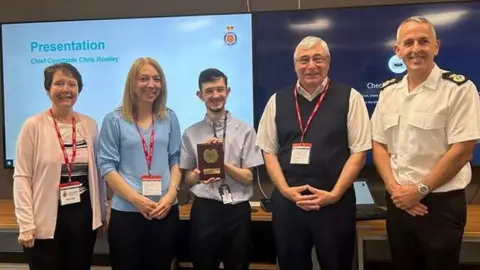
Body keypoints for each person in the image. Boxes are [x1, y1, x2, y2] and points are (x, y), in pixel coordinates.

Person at [371, 16, 480, 270]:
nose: (415, 49)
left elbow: (463, 150)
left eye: (423, 41)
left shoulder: (459, 89)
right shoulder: (388, 92)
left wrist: (419, 190)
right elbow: (378, 144)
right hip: (398, 203)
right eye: (408, 43)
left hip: (439, 206)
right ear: (398, 51)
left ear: (436, 46)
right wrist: (395, 189)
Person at [256, 36, 371, 270]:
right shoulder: (276, 101)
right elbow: (268, 152)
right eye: (304, 60)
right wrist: (286, 191)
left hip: (334, 206)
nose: (311, 65)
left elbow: (359, 152)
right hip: (289, 206)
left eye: (318, 59)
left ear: (328, 62)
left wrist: (335, 194)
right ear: (295, 64)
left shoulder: (351, 98)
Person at [13, 63, 107, 270]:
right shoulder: (33, 125)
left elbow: (98, 175)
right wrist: (26, 224)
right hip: (45, 219)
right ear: (48, 89)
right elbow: (22, 177)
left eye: (72, 84)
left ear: (79, 89)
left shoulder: (89, 125)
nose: (66, 89)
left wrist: (101, 213)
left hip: (83, 216)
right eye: (59, 83)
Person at [98, 57, 182, 270]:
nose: (151, 85)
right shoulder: (113, 120)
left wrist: (171, 195)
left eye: (156, 79)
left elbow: (176, 159)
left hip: (164, 211)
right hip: (127, 213)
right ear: (132, 84)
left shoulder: (169, 117)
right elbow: (107, 167)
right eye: (144, 78)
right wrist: (136, 199)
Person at [180, 68, 264, 270]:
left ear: (228, 91)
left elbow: (247, 178)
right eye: (209, 91)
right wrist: (200, 172)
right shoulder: (190, 133)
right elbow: (187, 180)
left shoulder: (246, 130)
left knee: (238, 264)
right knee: (203, 264)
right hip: (204, 208)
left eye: (220, 89)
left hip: (237, 211)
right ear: (200, 95)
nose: (215, 96)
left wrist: (221, 164)